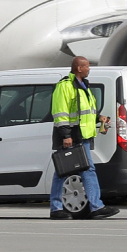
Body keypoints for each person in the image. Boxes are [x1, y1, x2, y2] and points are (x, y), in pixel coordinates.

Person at [50, 56, 118, 220]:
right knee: (63, 172)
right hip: (71, 136)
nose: (89, 69)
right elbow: (60, 113)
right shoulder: (65, 86)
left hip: (82, 136)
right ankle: (57, 208)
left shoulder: (83, 86)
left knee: (86, 170)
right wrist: (66, 135)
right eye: (87, 66)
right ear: (79, 68)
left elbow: (85, 113)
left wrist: (98, 118)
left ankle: (96, 207)